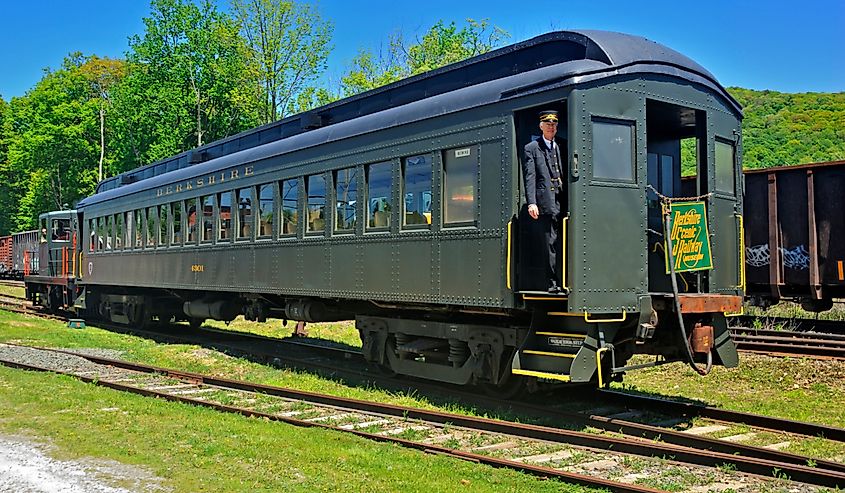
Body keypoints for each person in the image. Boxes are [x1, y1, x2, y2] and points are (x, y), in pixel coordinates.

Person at [522, 110, 566, 293]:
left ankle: (563, 279)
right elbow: (530, 176)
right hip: (545, 202)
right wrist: (532, 202)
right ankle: (551, 283)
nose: (551, 126)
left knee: (562, 240)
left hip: (562, 199)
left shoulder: (562, 145)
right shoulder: (532, 148)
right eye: (548, 123)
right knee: (549, 241)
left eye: (554, 124)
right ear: (541, 126)